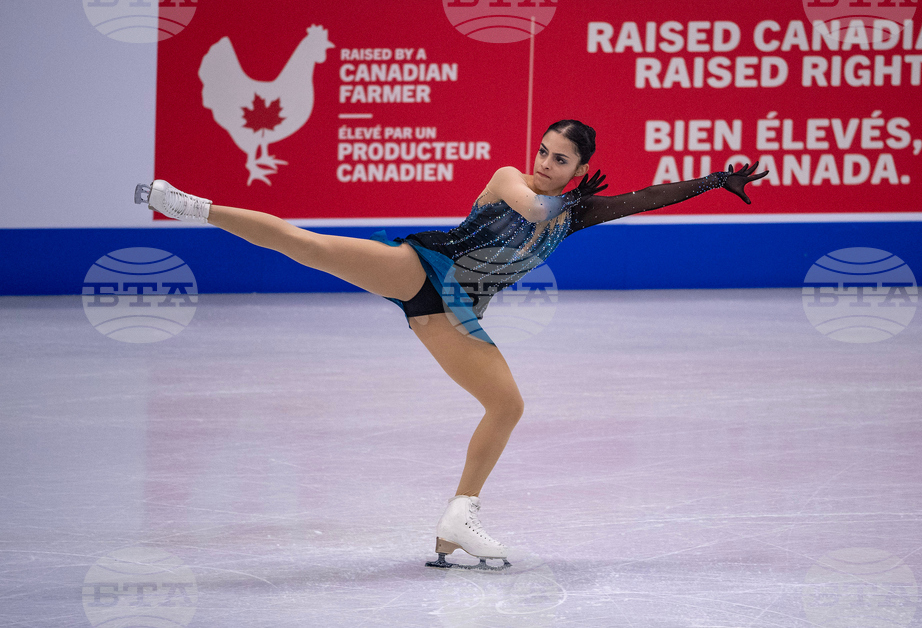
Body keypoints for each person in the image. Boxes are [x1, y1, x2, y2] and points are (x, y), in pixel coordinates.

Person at [134, 119, 767, 571]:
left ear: (578, 168)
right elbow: (535, 207)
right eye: (544, 153)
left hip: (452, 315)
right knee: (309, 246)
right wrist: (564, 196)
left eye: (560, 161)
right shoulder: (512, 181)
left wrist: (715, 180)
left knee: (507, 404)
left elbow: (643, 200)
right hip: (424, 269)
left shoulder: (575, 211)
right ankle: (191, 207)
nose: (545, 164)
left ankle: (457, 520)